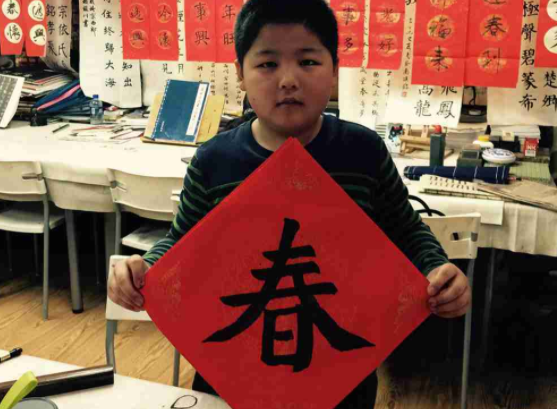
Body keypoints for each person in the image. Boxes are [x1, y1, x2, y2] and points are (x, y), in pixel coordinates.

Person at [108, 0, 471, 406]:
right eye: (267, 64)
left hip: (340, 374)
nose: (288, 80)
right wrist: (146, 269)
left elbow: (406, 230)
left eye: (308, 62)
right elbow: (182, 242)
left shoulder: (363, 153)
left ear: (335, 70)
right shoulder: (214, 162)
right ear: (239, 74)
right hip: (233, 371)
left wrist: (436, 269)